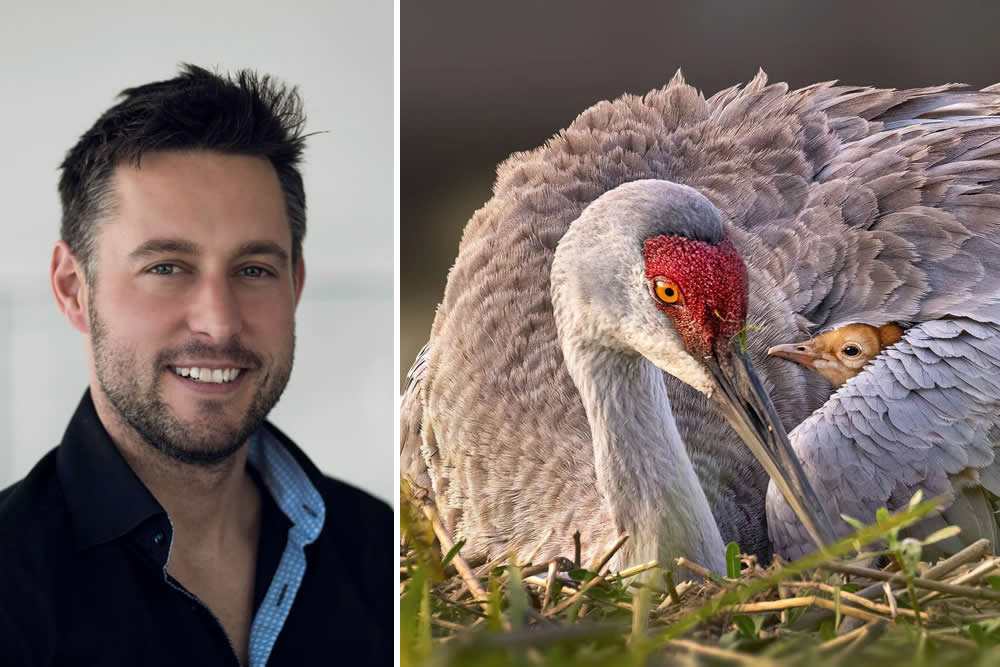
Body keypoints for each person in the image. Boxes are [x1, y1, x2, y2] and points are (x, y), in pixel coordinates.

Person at [0, 65, 390, 666]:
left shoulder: (379, 551)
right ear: (74, 288)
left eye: (254, 269)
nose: (219, 321)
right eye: (166, 267)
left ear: (296, 284)